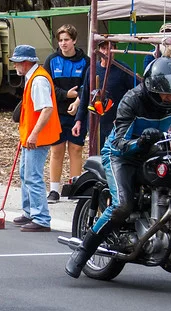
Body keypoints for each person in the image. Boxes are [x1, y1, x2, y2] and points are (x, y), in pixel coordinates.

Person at [65, 57, 171, 278]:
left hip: (154, 151)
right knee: (122, 205)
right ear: (152, 88)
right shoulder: (133, 100)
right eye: (165, 93)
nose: (170, 97)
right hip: (121, 156)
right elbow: (118, 142)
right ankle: (82, 252)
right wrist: (141, 142)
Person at [9, 45, 61, 232]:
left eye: (16, 62)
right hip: (32, 136)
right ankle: (30, 212)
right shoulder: (34, 77)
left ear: (25, 62)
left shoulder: (38, 80)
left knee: (32, 176)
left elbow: (46, 109)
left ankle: (41, 218)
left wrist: (33, 133)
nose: (14, 66)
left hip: (38, 137)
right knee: (26, 174)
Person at [43, 24, 88, 203]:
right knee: (57, 150)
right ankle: (54, 190)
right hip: (57, 112)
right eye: (60, 40)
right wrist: (65, 95)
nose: (63, 44)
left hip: (79, 113)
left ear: (74, 41)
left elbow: (89, 83)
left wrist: (78, 101)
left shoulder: (86, 60)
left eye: (67, 40)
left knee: (76, 149)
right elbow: (47, 85)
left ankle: (74, 186)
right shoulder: (52, 60)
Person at [73, 40, 136, 150]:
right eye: (103, 48)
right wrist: (78, 121)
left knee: (116, 152)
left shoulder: (123, 69)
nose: (107, 52)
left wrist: (127, 115)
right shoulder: (92, 69)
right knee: (96, 152)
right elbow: (85, 97)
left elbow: (135, 93)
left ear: (115, 50)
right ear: (98, 50)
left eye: (110, 48)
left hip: (116, 121)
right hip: (96, 121)